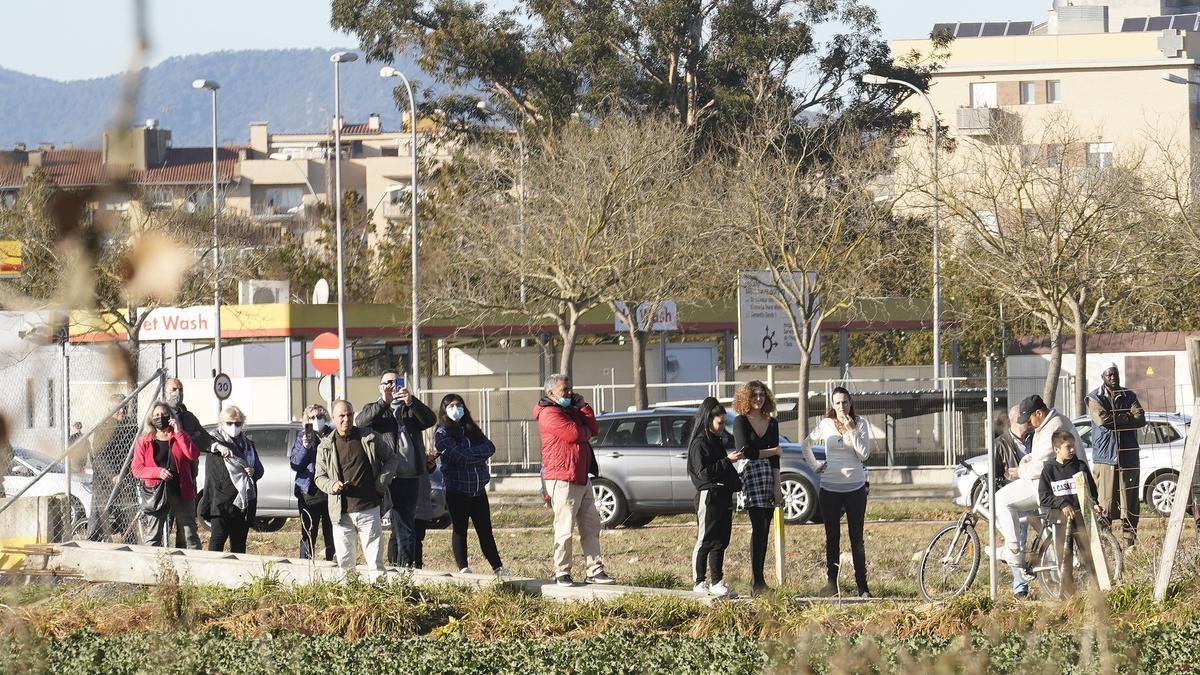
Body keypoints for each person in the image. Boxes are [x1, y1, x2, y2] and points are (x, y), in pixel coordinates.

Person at [536, 373, 614, 587]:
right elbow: (573, 434)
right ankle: (562, 571)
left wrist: (583, 406)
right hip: (563, 477)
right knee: (565, 528)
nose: (569, 393)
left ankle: (594, 569)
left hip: (581, 476)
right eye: (564, 390)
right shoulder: (549, 413)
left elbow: (593, 429)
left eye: (570, 389)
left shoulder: (570, 410)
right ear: (550, 393)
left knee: (591, 526)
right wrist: (584, 429)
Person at [796, 386, 872, 597]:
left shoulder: (861, 424)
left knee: (856, 538)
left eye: (845, 402)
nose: (842, 406)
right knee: (832, 537)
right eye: (837, 403)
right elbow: (805, 446)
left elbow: (864, 454)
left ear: (851, 403)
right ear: (832, 405)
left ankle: (862, 586)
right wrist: (815, 466)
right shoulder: (826, 424)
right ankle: (832, 584)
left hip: (855, 487)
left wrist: (852, 430)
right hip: (829, 487)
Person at [356, 370, 437, 567]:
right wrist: (384, 401)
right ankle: (378, 565)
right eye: (387, 383)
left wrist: (412, 402)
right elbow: (361, 422)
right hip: (384, 476)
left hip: (409, 476)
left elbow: (430, 420)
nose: (392, 386)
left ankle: (405, 568)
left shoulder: (410, 408)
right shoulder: (376, 408)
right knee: (372, 523)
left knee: (406, 525)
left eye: (395, 382)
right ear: (380, 387)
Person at [995, 394, 1084, 569]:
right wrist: (1028, 458)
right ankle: (1056, 572)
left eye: (1029, 419)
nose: (1028, 424)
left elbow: (1042, 467)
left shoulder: (1053, 427)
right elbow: (1042, 456)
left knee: (1001, 499)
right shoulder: (1054, 422)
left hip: (1052, 485)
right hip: (1064, 482)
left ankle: (1013, 551)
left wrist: (1021, 471)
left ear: (1038, 413)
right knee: (1050, 529)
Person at [316, 399, 399, 572]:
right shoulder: (325, 446)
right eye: (341, 416)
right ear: (333, 417)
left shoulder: (369, 437)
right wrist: (332, 485)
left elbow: (392, 459)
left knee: (375, 563)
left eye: (349, 415)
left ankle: (378, 594)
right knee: (345, 565)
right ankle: (348, 597)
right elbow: (319, 477)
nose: (346, 419)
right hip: (341, 514)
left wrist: (380, 483)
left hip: (368, 509)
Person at [434, 394, 506, 575]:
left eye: (458, 405)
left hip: (478, 490)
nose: (456, 408)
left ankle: (497, 567)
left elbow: (490, 447)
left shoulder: (471, 429)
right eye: (450, 406)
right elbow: (459, 457)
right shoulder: (442, 433)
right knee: (460, 530)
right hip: (457, 490)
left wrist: (470, 454)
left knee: (485, 531)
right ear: (444, 410)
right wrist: (476, 454)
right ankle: (463, 567)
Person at [730, 381, 783, 595]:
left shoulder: (772, 422)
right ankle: (757, 581)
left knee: (765, 527)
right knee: (758, 525)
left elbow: (776, 460)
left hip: (768, 477)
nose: (759, 399)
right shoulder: (740, 421)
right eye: (754, 395)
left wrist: (777, 486)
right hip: (750, 475)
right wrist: (773, 451)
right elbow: (746, 452)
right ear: (746, 398)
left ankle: (758, 581)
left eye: (762, 394)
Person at [1086, 363, 1146, 548]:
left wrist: (1118, 418)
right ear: (1102, 377)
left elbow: (1141, 419)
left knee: (1130, 503)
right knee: (1105, 504)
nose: (1113, 377)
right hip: (1106, 458)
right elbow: (1103, 420)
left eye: (1115, 374)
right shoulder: (1094, 397)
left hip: (1128, 457)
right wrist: (1126, 417)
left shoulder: (1129, 395)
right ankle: (1108, 546)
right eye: (1109, 374)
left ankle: (1130, 545)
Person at [1039, 429, 1103, 598]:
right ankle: (1068, 595)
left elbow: (1091, 491)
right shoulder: (1049, 470)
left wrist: (1094, 504)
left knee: (1088, 553)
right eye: (1068, 447)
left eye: (1073, 446)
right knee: (1064, 557)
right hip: (1060, 519)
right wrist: (1062, 504)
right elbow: (1044, 497)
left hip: (1080, 517)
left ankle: (1097, 588)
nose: (1073, 450)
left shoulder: (1080, 466)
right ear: (1057, 449)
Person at [688, 397, 742, 598]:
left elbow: (720, 466)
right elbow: (704, 473)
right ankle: (699, 580)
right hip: (708, 495)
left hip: (723, 495)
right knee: (706, 538)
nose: (722, 427)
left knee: (721, 540)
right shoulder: (699, 443)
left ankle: (717, 581)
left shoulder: (716, 441)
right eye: (720, 423)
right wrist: (727, 461)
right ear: (708, 419)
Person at [130, 402, 201, 548]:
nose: (160, 417)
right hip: (157, 492)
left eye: (163, 414)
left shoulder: (180, 436)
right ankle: (150, 567)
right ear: (150, 419)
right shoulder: (145, 441)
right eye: (156, 415)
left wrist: (178, 432)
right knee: (154, 534)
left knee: (189, 534)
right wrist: (158, 472)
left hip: (181, 490)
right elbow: (136, 469)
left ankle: (191, 567)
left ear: (170, 416)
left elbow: (193, 455)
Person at [198, 406, 264, 554]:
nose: (233, 427)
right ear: (221, 423)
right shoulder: (215, 441)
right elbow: (202, 441)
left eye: (237, 423)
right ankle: (212, 575)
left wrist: (253, 471)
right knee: (218, 539)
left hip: (242, 502)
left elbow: (260, 470)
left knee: (239, 544)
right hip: (221, 501)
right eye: (229, 423)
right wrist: (218, 447)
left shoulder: (248, 444)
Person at [87, 394, 140, 543]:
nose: (122, 411)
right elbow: (98, 458)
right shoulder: (104, 428)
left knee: (128, 518)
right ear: (110, 409)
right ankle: (92, 543)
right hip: (105, 482)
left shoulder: (131, 426)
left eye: (124, 407)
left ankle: (131, 546)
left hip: (126, 480)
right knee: (99, 518)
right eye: (118, 408)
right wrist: (112, 475)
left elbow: (135, 452)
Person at [993, 405, 1033, 599]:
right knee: (1019, 538)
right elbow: (995, 476)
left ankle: (1052, 577)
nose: (1029, 421)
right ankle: (1020, 587)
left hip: (1035, 493)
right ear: (1015, 421)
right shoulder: (1000, 444)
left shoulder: (1036, 438)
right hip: (1015, 498)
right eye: (1025, 419)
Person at [290, 403, 336, 561]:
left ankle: (333, 564)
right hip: (309, 490)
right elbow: (295, 464)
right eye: (312, 417)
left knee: (332, 532)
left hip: (330, 489)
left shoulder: (333, 435)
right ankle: (305, 565)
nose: (316, 420)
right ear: (306, 420)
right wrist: (305, 447)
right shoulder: (301, 437)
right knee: (309, 531)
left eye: (319, 416)